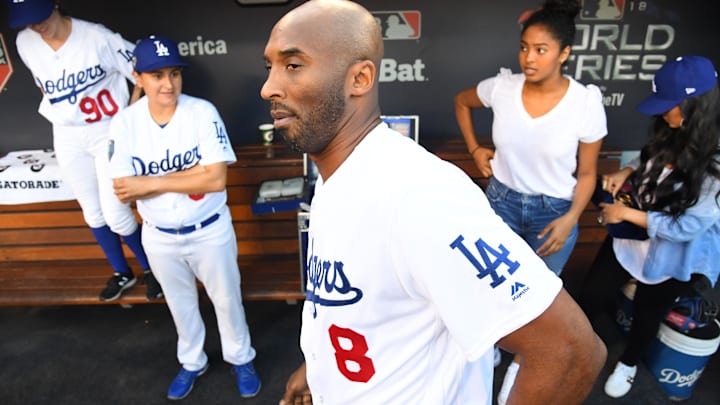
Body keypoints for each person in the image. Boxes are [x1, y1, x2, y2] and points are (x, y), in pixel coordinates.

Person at [261, 1, 606, 404]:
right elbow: (360, 306)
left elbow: (570, 352)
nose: (269, 87)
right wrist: (321, 370)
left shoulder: (418, 197)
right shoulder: (338, 176)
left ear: (359, 78)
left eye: (293, 65)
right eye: (269, 67)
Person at [453, 1, 606, 401]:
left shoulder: (585, 103)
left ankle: (515, 378)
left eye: (541, 49)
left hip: (553, 214)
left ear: (565, 53)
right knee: (485, 288)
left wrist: (572, 218)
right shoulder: (502, 88)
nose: (529, 58)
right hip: (500, 204)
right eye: (524, 47)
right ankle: (483, 362)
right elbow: (461, 102)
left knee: (534, 303)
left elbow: (588, 174)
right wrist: (475, 150)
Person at [107, 35, 261, 401]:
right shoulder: (125, 123)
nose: (168, 83)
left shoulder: (201, 112)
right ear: (138, 77)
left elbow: (215, 178)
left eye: (174, 73)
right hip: (158, 234)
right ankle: (192, 361)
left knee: (227, 300)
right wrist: (186, 176)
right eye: (156, 75)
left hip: (209, 229)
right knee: (179, 303)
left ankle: (240, 357)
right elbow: (124, 188)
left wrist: (152, 183)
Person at [578, 55, 720, 398]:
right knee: (593, 293)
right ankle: (577, 346)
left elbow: (687, 227)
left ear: (694, 105)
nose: (662, 113)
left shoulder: (715, 160)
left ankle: (628, 364)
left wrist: (626, 215)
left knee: (647, 312)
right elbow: (649, 158)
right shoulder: (671, 128)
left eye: (668, 105)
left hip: (670, 254)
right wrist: (626, 173)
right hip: (629, 240)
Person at [7, 0, 160, 301]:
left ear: (55, 4)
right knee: (92, 212)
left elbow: (145, 72)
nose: (36, 25)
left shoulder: (98, 38)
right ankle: (122, 272)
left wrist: (131, 111)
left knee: (116, 214)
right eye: (27, 20)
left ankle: (152, 269)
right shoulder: (25, 41)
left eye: (39, 16)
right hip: (66, 134)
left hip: (107, 131)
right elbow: (45, 87)